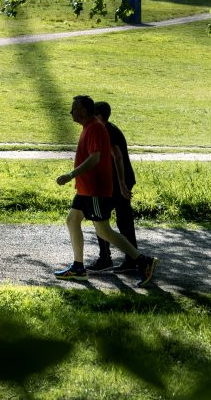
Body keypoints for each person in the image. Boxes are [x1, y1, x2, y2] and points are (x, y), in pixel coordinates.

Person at [54, 95, 157, 287]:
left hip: (94, 189)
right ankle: (78, 267)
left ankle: (143, 261)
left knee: (103, 230)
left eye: (73, 108)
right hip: (86, 189)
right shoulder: (89, 127)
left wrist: (70, 175)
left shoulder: (94, 127)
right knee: (72, 220)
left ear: (83, 111)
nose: (71, 112)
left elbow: (95, 159)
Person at [91, 101, 139, 273]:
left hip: (116, 183)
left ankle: (106, 258)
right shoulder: (107, 129)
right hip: (119, 181)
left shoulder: (106, 131)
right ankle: (132, 259)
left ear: (99, 116)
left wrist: (121, 184)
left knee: (100, 219)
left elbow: (117, 157)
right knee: (123, 220)